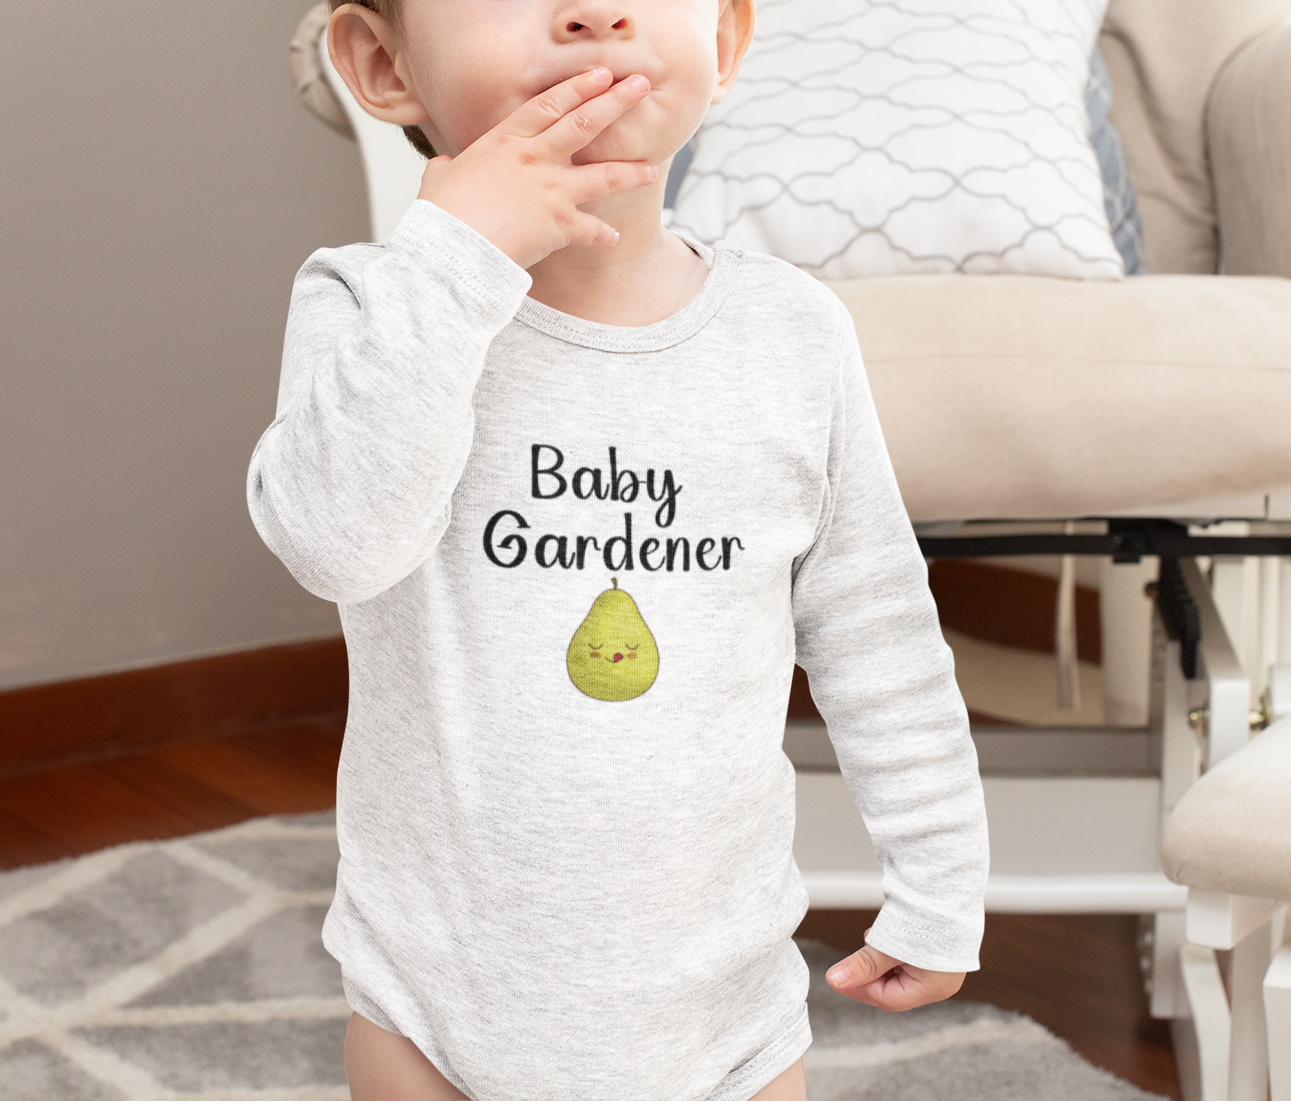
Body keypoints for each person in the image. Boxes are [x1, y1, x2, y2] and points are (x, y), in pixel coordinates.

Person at [247, 0, 989, 1097]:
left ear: (725, 43)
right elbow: (336, 546)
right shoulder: (371, 310)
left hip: (722, 1018)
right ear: (382, 63)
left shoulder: (790, 336)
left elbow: (876, 629)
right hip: (433, 1010)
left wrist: (939, 877)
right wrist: (455, 260)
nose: (596, 11)